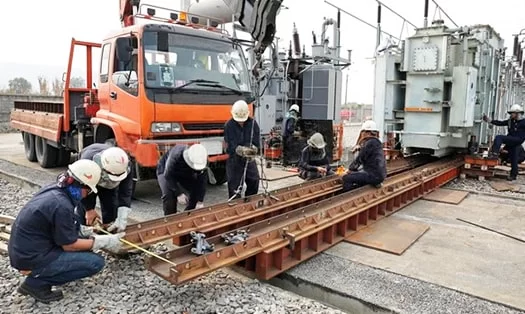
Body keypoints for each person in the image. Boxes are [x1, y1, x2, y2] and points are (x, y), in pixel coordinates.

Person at [8, 159, 124, 303]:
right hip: (31, 257)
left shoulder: (57, 191)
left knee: (84, 253)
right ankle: (35, 284)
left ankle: (45, 273)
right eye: (87, 190)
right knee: (95, 263)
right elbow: (69, 245)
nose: (87, 194)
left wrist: (85, 231)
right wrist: (103, 241)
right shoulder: (61, 205)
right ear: (80, 185)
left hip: (28, 249)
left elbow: (63, 225)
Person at [78, 144, 134, 232]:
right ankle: (81, 234)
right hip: (89, 180)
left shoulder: (125, 164)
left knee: (111, 206)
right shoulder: (87, 162)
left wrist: (122, 216)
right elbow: (80, 188)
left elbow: (125, 192)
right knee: (84, 213)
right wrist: (88, 209)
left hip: (107, 179)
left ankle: (108, 232)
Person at [156, 144, 209, 215]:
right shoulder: (176, 155)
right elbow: (168, 175)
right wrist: (179, 193)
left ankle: (187, 216)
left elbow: (202, 181)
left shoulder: (203, 160)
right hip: (166, 172)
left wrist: (200, 201)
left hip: (186, 173)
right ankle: (170, 220)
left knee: (195, 194)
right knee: (169, 196)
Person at [224, 100, 261, 199]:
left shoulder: (253, 124)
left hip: (249, 159)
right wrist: (240, 150)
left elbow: (256, 141)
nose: (241, 121)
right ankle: (235, 204)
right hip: (234, 160)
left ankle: (249, 201)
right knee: (234, 185)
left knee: (254, 180)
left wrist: (253, 149)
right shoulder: (229, 125)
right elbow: (230, 145)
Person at [483, 104, 525, 181]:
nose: (511, 115)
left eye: (512, 113)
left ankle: (495, 154)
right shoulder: (510, 121)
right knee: (514, 159)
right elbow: (500, 123)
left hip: (518, 140)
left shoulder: (523, 122)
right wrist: (490, 120)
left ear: (517, 113)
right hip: (512, 141)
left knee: (499, 137)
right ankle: (513, 175)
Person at [342, 120, 387, 192]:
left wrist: (350, 169)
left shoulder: (369, 143)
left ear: (367, 132)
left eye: (363, 132)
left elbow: (360, 158)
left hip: (373, 175)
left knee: (347, 178)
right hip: (380, 175)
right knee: (358, 175)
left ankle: (348, 196)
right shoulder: (377, 143)